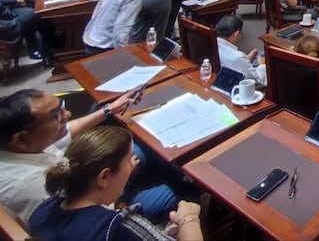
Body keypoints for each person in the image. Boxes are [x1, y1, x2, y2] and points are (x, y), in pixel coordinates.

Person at [0, 89, 177, 224]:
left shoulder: (22, 145)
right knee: (172, 192)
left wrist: (108, 110)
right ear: (21, 138)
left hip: (90, 185)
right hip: (104, 214)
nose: (67, 115)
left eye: (62, 108)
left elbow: (65, 132)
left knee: (133, 149)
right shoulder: (31, 186)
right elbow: (93, 214)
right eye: (56, 116)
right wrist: (123, 176)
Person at [28, 126, 202, 241]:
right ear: (104, 177)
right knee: (190, 193)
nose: (133, 164)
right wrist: (190, 219)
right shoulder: (122, 227)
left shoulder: (43, 211)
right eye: (128, 161)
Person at [82, 0, 153, 55]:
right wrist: (122, 54)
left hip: (91, 40)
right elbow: (122, 28)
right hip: (104, 46)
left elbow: (95, 15)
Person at [215, 14, 266, 87]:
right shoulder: (238, 57)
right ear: (236, 34)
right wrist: (262, 65)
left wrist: (246, 60)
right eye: (241, 34)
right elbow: (258, 82)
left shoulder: (213, 45)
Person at [1, 0, 47, 64]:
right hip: (5, 23)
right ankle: (47, 52)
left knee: (30, 13)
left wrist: (14, 0)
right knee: (35, 14)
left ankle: (39, 50)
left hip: (7, 12)